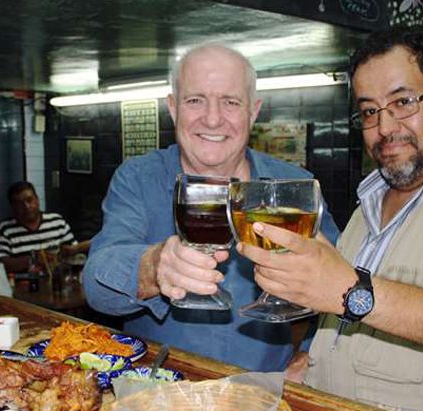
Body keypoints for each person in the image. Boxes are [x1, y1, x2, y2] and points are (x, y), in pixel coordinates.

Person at [237, 28, 423, 411]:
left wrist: (351, 290)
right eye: (369, 111)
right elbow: (348, 323)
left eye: (402, 102)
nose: (384, 127)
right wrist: (313, 359)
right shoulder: (370, 199)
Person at [83, 44, 340, 372]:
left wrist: (309, 355)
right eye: (195, 100)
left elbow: (342, 279)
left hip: (265, 397)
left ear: (253, 111)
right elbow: (95, 287)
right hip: (161, 394)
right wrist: (153, 267)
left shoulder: (295, 187)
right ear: (173, 108)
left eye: (231, 102)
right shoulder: (138, 178)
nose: (213, 119)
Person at [0, 181, 90, 273]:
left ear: (37, 199)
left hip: (57, 283)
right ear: (13, 206)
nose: (27, 206)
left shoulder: (57, 222)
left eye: (30, 200)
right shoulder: (4, 230)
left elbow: (74, 251)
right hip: (22, 287)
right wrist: (34, 259)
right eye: (20, 203)